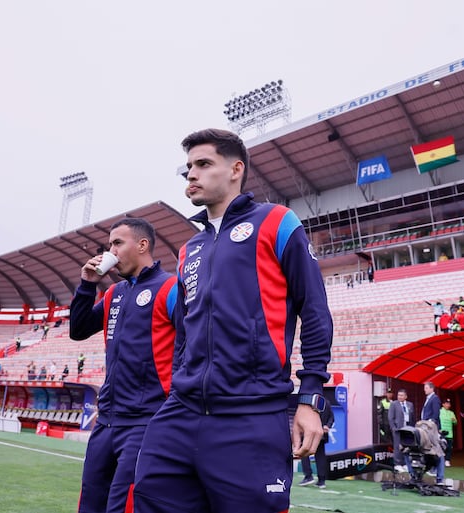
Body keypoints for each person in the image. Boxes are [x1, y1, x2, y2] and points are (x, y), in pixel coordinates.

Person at [133, 128, 333, 513]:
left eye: (204, 164)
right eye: (188, 167)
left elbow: (315, 311)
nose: (192, 174)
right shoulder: (190, 247)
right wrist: (177, 384)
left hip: (251, 415)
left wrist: (310, 397)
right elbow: (186, 329)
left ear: (235, 169)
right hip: (180, 414)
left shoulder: (277, 221)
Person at [70, 218, 178, 513]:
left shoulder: (170, 287)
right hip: (106, 421)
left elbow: (192, 346)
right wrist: (86, 285)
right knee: (90, 504)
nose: (111, 251)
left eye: (117, 243)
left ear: (142, 245)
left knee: (123, 506)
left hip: (145, 422)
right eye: (110, 245)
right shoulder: (114, 293)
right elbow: (78, 330)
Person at [298, 400, 335, 488]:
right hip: (322, 433)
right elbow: (332, 417)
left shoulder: (309, 401)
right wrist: (327, 426)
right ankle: (321, 480)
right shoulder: (326, 402)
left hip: (310, 432)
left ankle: (308, 476)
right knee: (320, 456)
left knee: (304, 452)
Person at [420, 381, 444, 480]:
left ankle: (435, 469)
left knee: (434, 448)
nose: (424, 390)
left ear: (431, 388)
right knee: (428, 448)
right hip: (425, 426)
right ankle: (432, 468)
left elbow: (435, 414)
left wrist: (430, 423)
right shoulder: (428, 398)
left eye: (426, 388)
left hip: (430, 427)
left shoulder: (435, 399)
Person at [388, 388, 415, 474]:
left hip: (407, 428)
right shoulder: (394, 404)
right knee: (397, 446)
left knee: (406, 446)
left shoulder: (410, 404)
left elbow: (413, 417)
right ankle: (397, 464)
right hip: (398, 428)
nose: (400, 397)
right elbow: (390, 417)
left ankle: (405, 463)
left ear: (406, 396)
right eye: (399, 395)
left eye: (402, 395)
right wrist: (393, 427)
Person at [439, 398, 457, 467]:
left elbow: (455, 422)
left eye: (449, 404)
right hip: (442, 433)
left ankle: (447, 460)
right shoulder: (439, 411)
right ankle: (441, 460)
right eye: (446, 403)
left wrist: (454, 420)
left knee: (449, 448)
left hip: (449, 433)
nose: (448, 405)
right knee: (441, 447)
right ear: (443, 404)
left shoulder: (451, 413)